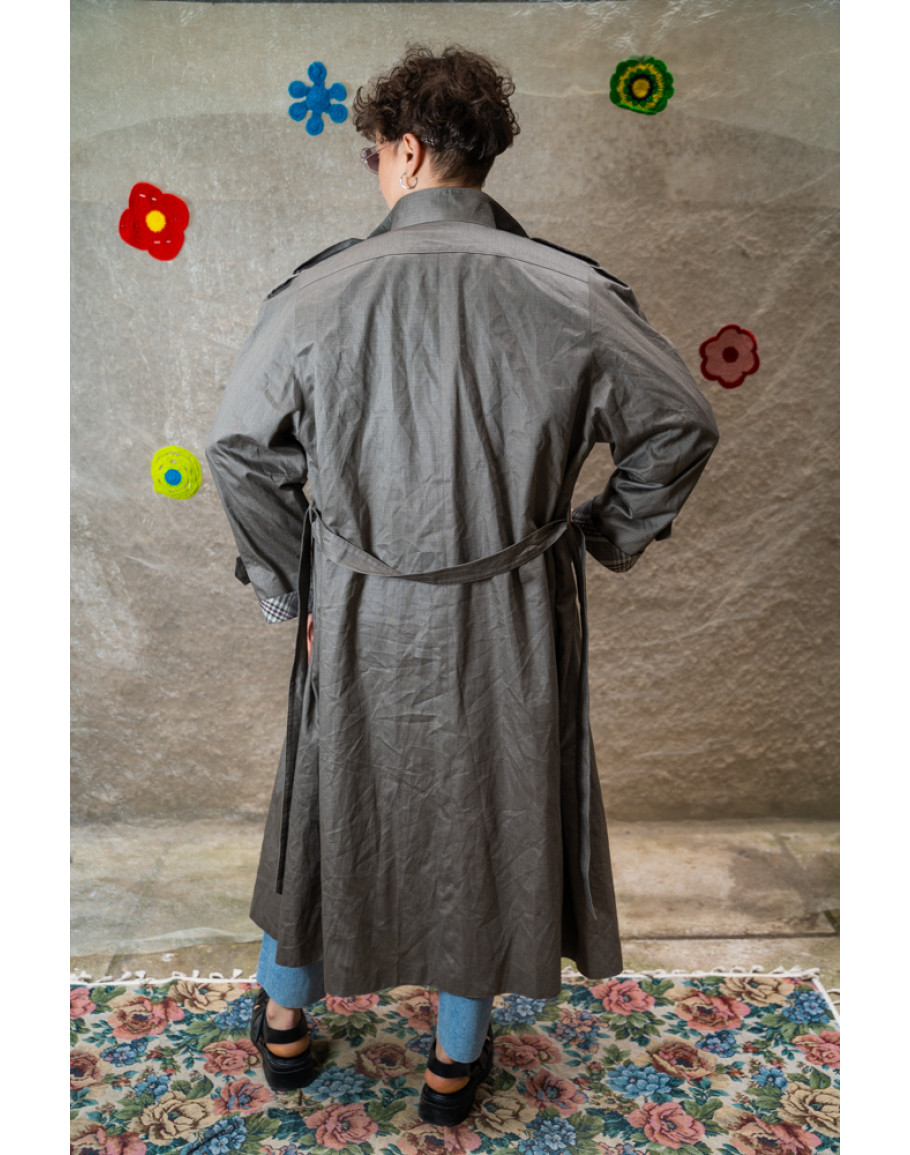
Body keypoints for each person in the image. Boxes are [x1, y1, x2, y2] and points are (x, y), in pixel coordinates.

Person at [206, 45, 718, 1125]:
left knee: (324, 803)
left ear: (404, 150)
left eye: (374, 156)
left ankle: (286, 1025)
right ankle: (452, 1062)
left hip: (358, 609)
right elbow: (679, 422)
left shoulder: (318, 290)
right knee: (493, 809)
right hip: (514, 611)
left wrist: (292, 588)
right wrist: (600, 536)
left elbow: (242, 451)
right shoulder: (574, 290)